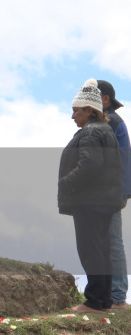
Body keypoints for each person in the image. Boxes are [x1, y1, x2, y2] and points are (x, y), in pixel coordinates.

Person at [59, 78, 125, 313]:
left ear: (90, 110)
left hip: (90, 201)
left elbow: (89, 164)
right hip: (103, 201)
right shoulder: (105, 129)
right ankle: (104, 300)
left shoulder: (90, 133)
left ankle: (95, 301)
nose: (73, 116)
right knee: (102, 249)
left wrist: (66, 182)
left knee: (91, 250)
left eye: (76, 111)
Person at [97, 80, 131, 309]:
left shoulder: (112, 122)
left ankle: (118, 297)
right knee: (105, 243)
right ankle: (111, 295)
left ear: (105, 99)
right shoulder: (106, 122)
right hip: (109, 191)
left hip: (110, 192)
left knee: (112, 242)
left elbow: (121, 161)